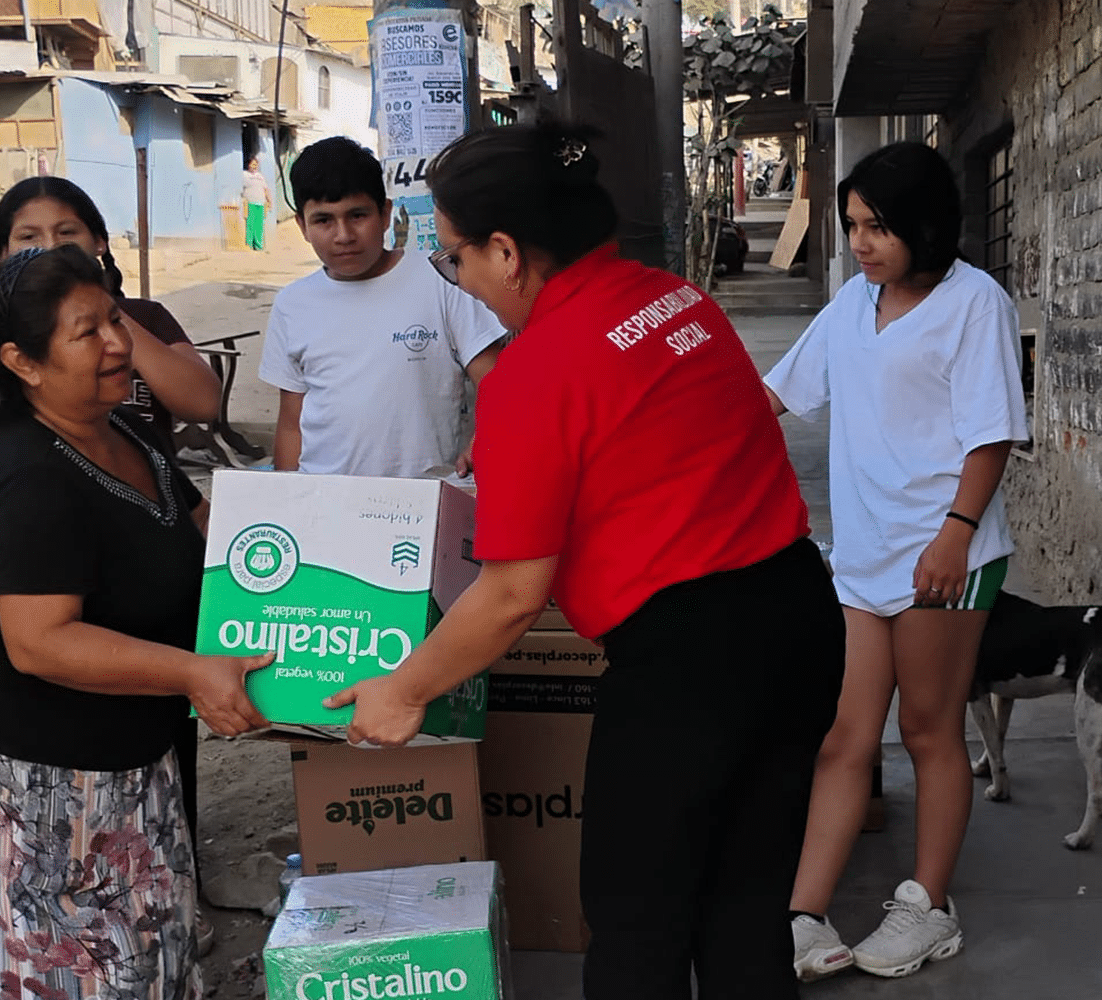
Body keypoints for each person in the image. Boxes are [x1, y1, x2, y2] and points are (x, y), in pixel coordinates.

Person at [323, 122, 847, 1000]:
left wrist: (404, 689)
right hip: (797, 618)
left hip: (689, 664)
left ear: (507, 251)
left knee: (636, 920)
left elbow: (512, 594)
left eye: (455, 259)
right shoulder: (677, 301)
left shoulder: (534, 373)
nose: (460, 281)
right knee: (746, 905)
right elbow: (655, 448)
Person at [0, 244, 272, 1000]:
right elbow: (41, 642)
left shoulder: (119, 432)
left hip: (126, 763)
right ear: (23, 362)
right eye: (88, 332)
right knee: (66, 978)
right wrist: (193, 671)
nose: (118, 342)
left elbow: (215, 543)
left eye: (115, 317)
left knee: (152, 959)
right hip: (27, 781)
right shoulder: (28, 477)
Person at [762, 141, 1028, 981]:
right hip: (865, 557)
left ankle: (928, 905)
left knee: (926, 729)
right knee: (846, 736)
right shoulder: (851, 303)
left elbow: (991, 434)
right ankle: (803, 915)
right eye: (852, 227)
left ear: (924, 223)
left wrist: (954, 533)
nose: (862, 243)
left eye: (878, 226)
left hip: (945, 555)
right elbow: (773, 393)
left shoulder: (973, 302)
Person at [0, 176, 222, 465]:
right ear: (3, 254)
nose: (50, 248)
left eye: (67, 233)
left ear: (99, 243)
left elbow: (203, 404)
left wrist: (104, 315)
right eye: (29, 237)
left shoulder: (147, 318)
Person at [258, 135, 505, 477]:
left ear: (386, 213)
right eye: (323, 220)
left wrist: (484, 439)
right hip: (326, 502)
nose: (343, 235)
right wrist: (289, 498)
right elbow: (291, 423)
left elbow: (498, 380)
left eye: (357, 215)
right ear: (301, 225)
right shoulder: (292, 304)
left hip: (421, 502)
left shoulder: (440, 280)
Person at [242, 156, 272, 251]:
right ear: (248, 165)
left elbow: (266, 189)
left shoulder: (260, 176)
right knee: (250, 224)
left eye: (256, 164)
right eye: (252, 164)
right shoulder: (244, 175)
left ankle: (258, 245)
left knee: (259, 225)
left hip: (261, 203)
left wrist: (269, 201)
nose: (254, 166)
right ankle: (249, 244)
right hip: (250, 203)